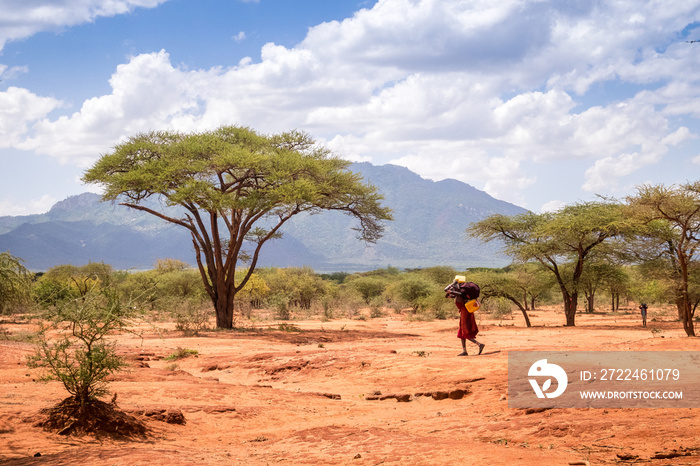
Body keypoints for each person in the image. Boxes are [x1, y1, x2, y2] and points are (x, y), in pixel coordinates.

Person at [445, 277, 485, 356]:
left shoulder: (460, 294)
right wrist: (453, 288)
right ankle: (464, 351)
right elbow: (447, 295)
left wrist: (453, 283)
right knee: (461, 333)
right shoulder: (459, 294)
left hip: (465, 314)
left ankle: (479, 344)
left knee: (465, 332)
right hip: (464, 314)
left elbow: (446, 289)